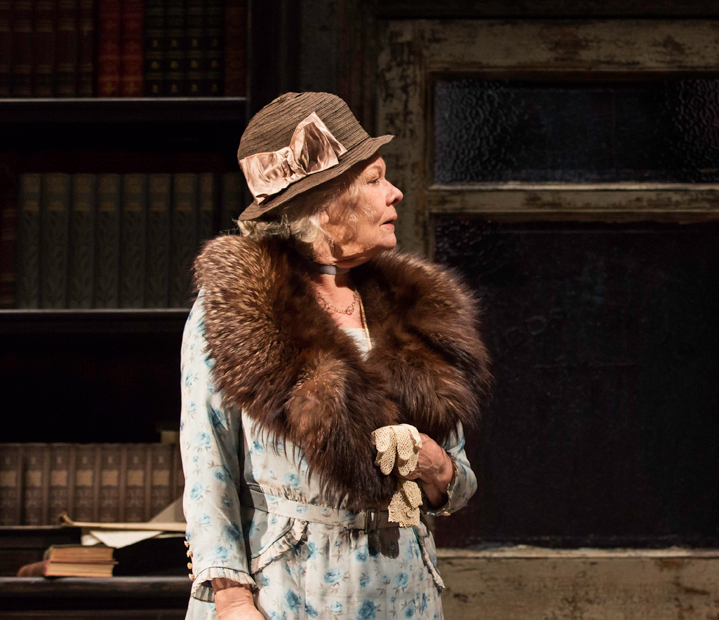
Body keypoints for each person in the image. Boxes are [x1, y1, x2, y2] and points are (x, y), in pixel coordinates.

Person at [180, 92, 492, 620]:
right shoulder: (235, 312)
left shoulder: (413, 311)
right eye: (373, 180)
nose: (394, 193)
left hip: (401, 590)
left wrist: (436, 466)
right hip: (287, 589)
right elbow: (207, 464)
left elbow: (457, 482)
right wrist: (232, 599)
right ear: (321, 203)